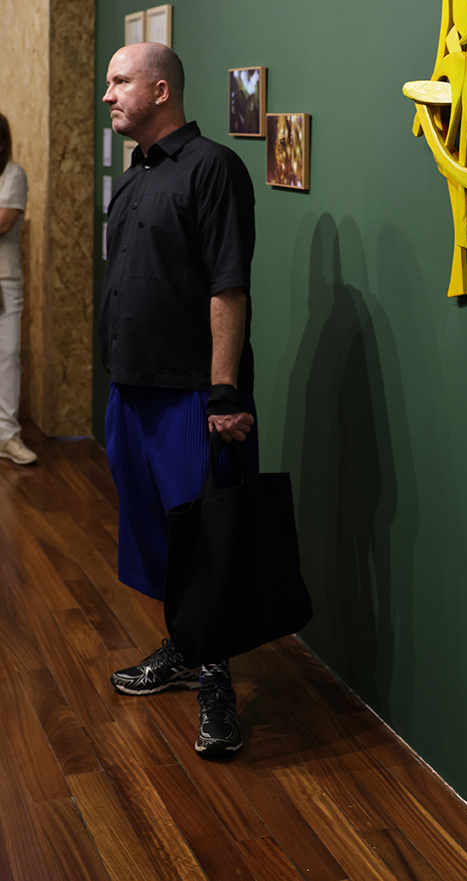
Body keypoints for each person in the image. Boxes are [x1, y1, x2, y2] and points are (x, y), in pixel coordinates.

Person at [99, 42, 257, 756]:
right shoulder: (134, 176)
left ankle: (217, 683)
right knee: (157, 536)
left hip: (192, 395)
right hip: (131, 389)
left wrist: (224, 391)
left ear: (161, 91)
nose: (108, 95)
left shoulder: (213, 168)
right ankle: (184, 648)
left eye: (120, 81)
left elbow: (228, 286)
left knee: (206, 542)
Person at [0, 114, 36, 466]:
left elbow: (3, 223)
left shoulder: (13, 175)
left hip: (4, 279)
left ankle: (7, 436)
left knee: (7, 355)